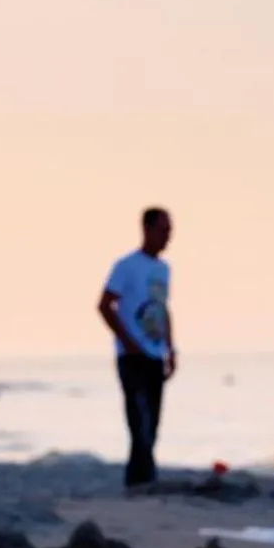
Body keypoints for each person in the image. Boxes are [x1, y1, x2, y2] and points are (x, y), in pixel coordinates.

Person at [98, 206, 175, 488]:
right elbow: (105, 305)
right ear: (147, 229)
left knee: (153, 422)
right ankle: (143, 479)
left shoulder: (164, 270)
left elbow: (164, 309)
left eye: (170, 231)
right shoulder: (127, 266)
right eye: (163, 230)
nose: (168, 236)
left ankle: (138, 479)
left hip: (155, 353)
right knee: (137, 419)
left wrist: (171, 348)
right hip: (131, 356)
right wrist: (127, 341)